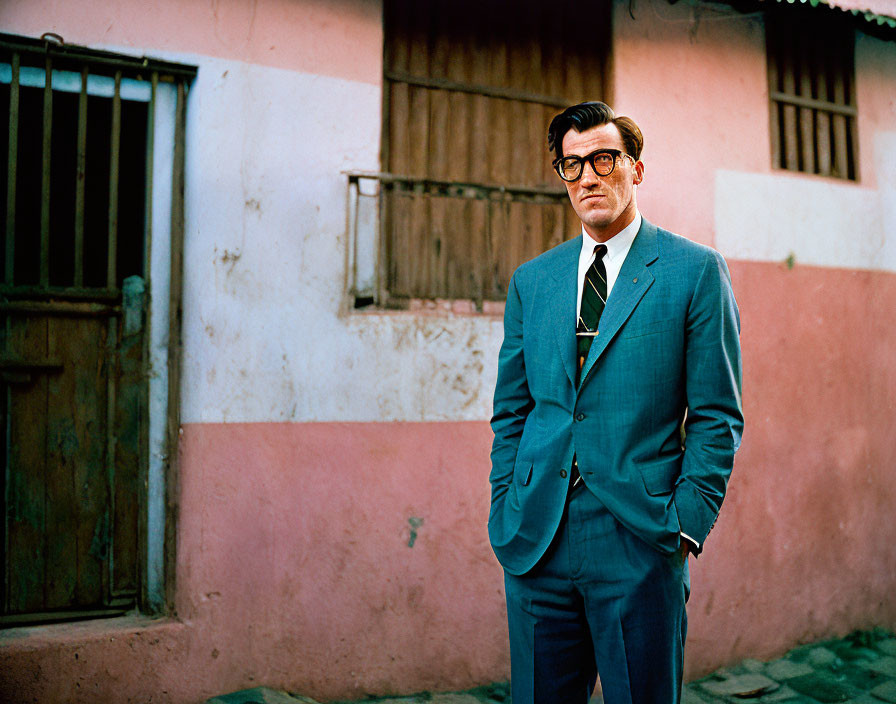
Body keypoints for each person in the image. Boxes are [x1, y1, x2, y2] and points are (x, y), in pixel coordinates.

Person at [488, 101, 744, 704]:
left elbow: (717, 414)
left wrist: (686, 523)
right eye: (571, 165)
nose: (588, 177)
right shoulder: (534, 281)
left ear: (636, 168)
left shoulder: (694, 271)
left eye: (604, 158)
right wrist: (505, 502)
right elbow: (512, 411)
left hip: (640, 536)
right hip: (535, 536)